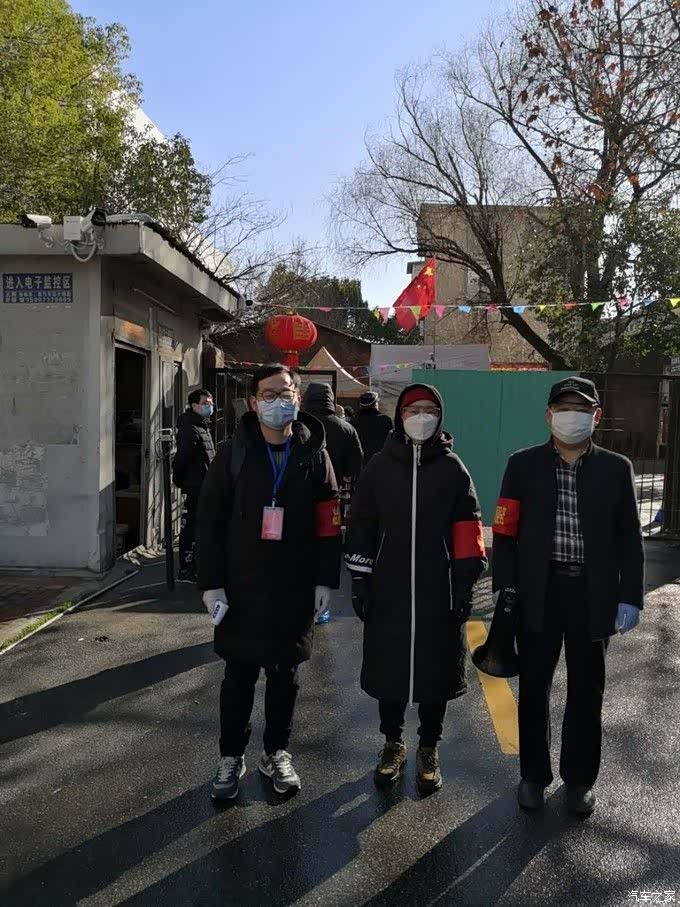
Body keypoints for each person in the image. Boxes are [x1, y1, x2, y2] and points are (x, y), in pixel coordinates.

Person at [492, 376, 644, 817]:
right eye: (563, 408)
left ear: (596, 416)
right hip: (538, 591)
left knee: (587, 691)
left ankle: (579, 781)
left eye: (581, 409)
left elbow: (630, 538)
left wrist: (630, 595)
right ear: (548, 415)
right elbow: (504, 530)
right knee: (533, 686)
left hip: (593, 594)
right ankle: (533, 776)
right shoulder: (522, 465)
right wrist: (507, 587)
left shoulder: (616, 468)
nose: (571, 416)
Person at [197, 364, 342, 802]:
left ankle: (276, 751)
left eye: (286, 392)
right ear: (253, 401)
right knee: (238, 677)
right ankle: (231, 756)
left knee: (285, 676)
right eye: (268, 394)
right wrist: (211, 583)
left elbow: (329, 521)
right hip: (241, 586)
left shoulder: (314, 453)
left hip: (293, 587)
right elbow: (209, 522)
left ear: (297, 397)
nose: (279, 401)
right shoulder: (233, 453)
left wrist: (325, 579)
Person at [346, 384, 487, 794]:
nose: (421, 417)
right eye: (413, 409)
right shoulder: (379, 466)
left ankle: (429, 746)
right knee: (388, 668)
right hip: (387, 586)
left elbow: (469, 525)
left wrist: (464, 583)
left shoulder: (453, 468)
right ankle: (392, 742)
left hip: (437, 588)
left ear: (440, 417)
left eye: (429, 410)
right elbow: (362, 522)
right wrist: (360, 578)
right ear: (400, 416)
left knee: (434, 670)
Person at [302, 382, 364, 623]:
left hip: (296, 495)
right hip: (330, 497)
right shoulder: (345, 428)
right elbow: (356, 464)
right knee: (327, 547)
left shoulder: (297, 424)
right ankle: (321, 606)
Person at [172, 388, 215, 583]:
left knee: (201, 525)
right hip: (196, 485)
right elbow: (182, 458)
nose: (209, 407)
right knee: (192, 525)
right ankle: (187, 568)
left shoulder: (202, 425)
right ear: (194, 405)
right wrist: (179, 479)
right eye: (205, 403)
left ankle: (196, 565)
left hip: (204, 483)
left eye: (211, 403)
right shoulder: (190, 428)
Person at [353, 391, 393, 465]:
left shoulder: (353, 422)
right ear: (375, 405)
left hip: (359, 464)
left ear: (361, 405)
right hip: (380, 463)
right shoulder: (385, 420)